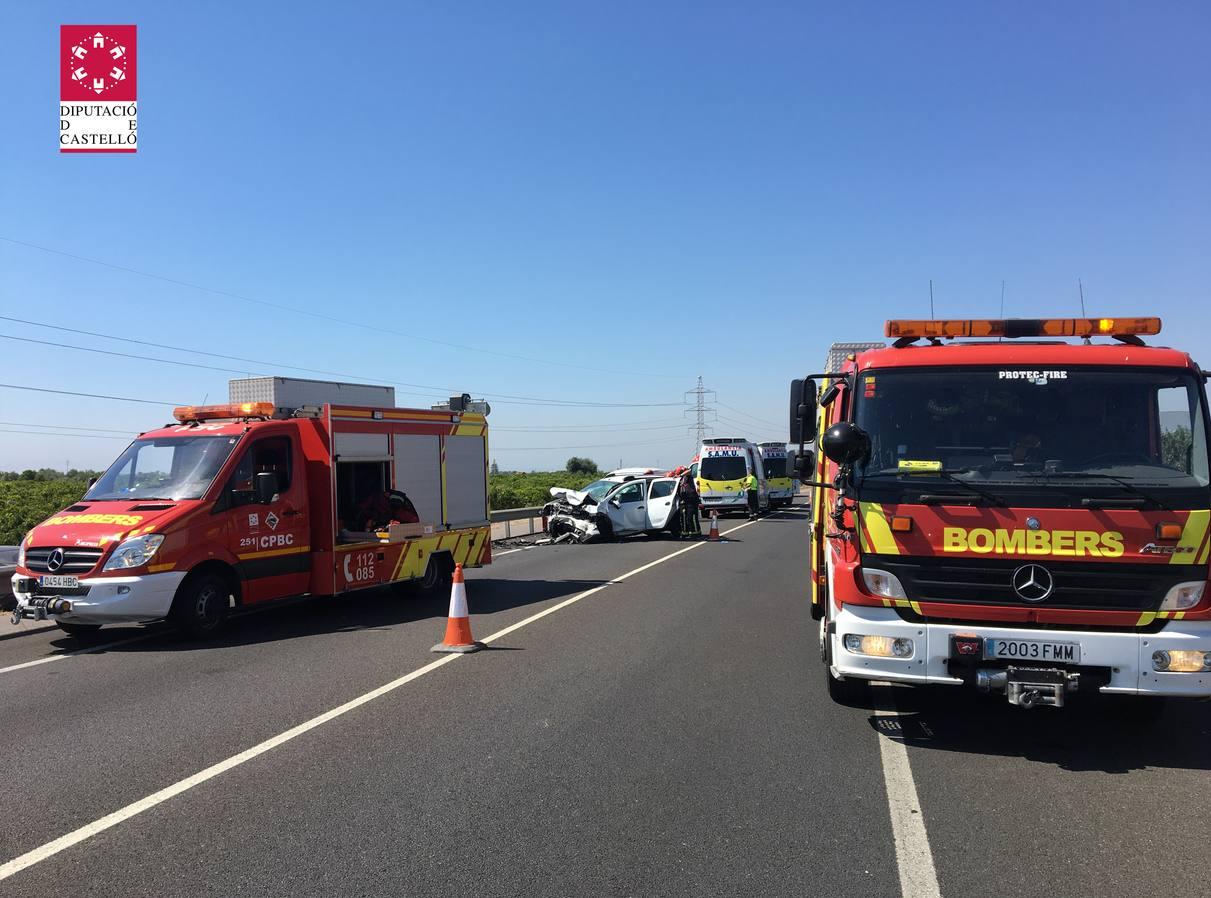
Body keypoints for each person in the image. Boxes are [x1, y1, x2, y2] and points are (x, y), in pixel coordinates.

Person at [678, 472, 700, 538]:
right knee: (687, 518)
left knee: (692, 517)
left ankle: (696, 533)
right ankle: (689, 532)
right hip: (686, 502)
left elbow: (689, 471)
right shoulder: (680, 482)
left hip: (692, 501)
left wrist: (681, 475)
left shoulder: (689, 478)